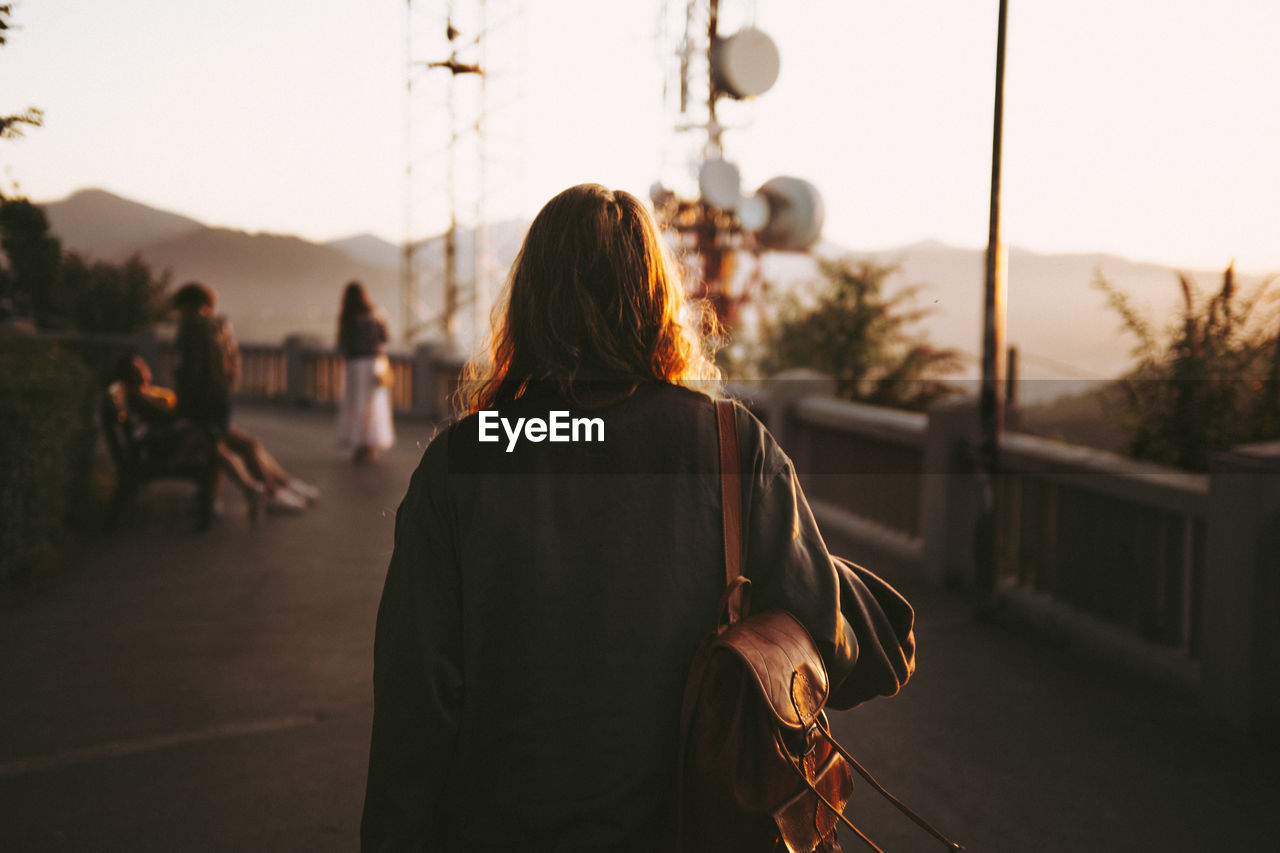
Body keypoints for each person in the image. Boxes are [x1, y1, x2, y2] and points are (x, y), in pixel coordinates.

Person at [359, 184, 915, 851]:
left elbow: (413, 705)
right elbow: (842, 647)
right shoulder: (728, 445)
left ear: (530, 304)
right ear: (655, 300)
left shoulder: (462, 463)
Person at [169, 284, 316, 516]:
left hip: (202, 410)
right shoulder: (212, 331)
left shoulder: (192, 333)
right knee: (235, 446)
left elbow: (188, 377)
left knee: (245, 445)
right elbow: (218, 373)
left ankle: (279, 487)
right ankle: (273, 491)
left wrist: (184, 411)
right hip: (212, 407)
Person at [336, 281, 395, 463]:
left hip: (354, 365)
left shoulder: (347, 316)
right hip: (373, 364)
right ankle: (371, 444)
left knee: (356, 405)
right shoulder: (375, 314)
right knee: (373, 406)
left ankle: (359, 444)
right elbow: (385, 337)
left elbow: (341, 344)